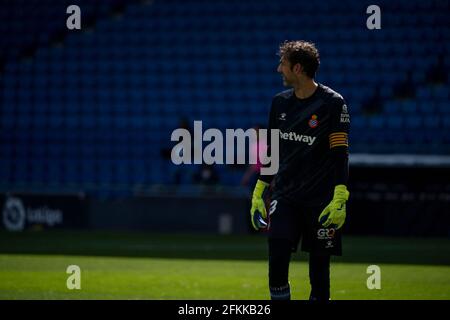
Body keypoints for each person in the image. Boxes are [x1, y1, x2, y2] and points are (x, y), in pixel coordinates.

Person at [250, 41, 350, 301]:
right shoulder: (279, 103)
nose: (278, 69)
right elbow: (271, 151)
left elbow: (340, 152)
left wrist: (340, 196)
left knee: (319, 270)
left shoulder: (333, 103)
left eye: (282, 64)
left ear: (297, 68)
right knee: (277, 256)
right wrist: (259, 191)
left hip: (322, 200)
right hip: (286, 197)